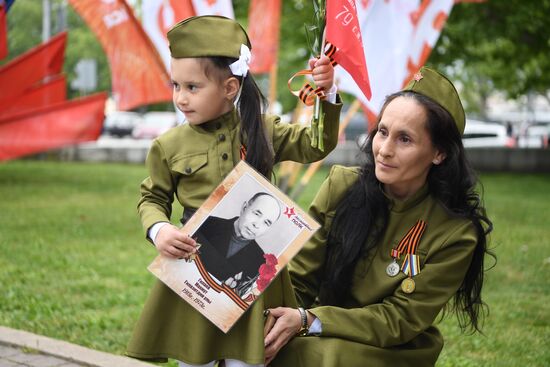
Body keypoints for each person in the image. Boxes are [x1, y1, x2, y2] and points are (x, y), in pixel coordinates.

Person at [126, 15, 342, 367]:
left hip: (254, 273)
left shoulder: (262, 129)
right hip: (194, 268)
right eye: (175, 85)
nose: (181, 98)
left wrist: (328, 93)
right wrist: (159, 229)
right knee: (195, 357)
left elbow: (315, 145)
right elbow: (152, 198)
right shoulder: (168, 145)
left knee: (250, 358)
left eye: (192, 87)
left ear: (229, 88)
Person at [263, 67, 495, 367]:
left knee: (314, 356)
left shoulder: (456, 234)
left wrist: (310, 320)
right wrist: (273, 319)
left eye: (405, 140)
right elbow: (300, 278)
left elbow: (399, 320)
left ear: (439, 153)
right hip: (318, 328)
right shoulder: (342, 186)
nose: (384, 150)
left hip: (390, 349)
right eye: (382, 132)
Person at [195, 192, 282, 294]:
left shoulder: (260, 263)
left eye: (266, 222)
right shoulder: (206, 223)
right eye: (257, 214)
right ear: (244, 208)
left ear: (268, 229)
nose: (257, 225)